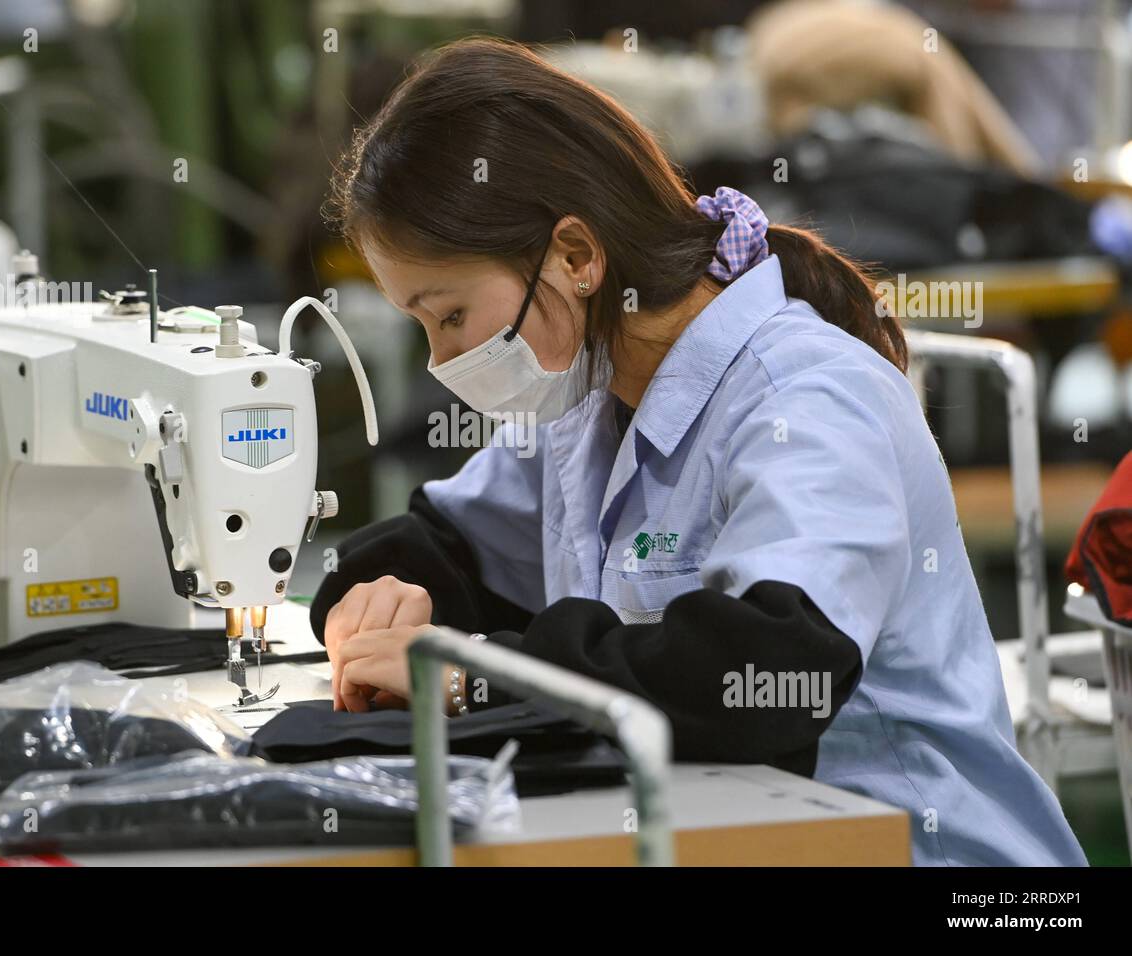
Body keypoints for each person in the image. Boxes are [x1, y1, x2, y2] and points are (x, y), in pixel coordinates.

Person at [309, 37, 1086, 866]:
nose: (441, 359)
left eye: (451, 316)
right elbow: (449, 547)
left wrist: (475, 677)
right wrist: (372, 600)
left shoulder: (807, 398)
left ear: (575, 256)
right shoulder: (590, 401)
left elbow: (772, 673)